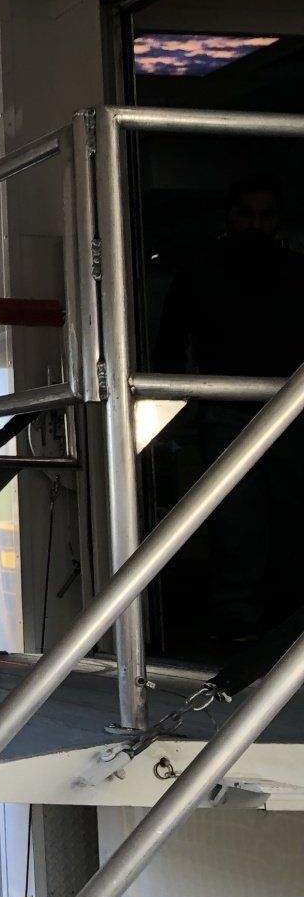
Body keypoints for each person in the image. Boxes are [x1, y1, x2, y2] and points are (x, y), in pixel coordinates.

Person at [154, 175, 304, 642]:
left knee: (291, 514)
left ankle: (281, 618)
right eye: (247, 214)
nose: (255, 224)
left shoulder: (296, 272)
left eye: (265, 215)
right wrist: (172, 412)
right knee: (237, 521)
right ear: (229, 216)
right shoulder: (199, 274)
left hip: (290, 407)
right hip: (229, 408)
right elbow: (171, 350)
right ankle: (240, 621)